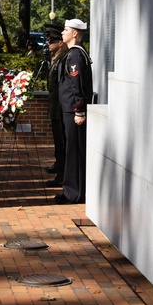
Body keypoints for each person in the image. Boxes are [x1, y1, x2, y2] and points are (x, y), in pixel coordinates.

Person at [56, 18, 93, 204]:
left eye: (65, 30)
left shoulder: (76, 56)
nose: (62, 33)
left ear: (75, 33)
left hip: (74, 111)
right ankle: (70, 190)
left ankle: (75, 193)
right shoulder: (72, 54)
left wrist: (79, 111)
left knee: (75, 152)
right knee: (71, 151)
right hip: (69, 110)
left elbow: (77, 85)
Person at [44, 25, 67, 187]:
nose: (48, 43)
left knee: (62, 143)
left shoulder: (64, 58)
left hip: (60, 109)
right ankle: (59, 166)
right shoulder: (56, 59)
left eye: (51, 40)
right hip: (55, 109)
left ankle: (62, 174)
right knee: (58, 143)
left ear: (60, 43)